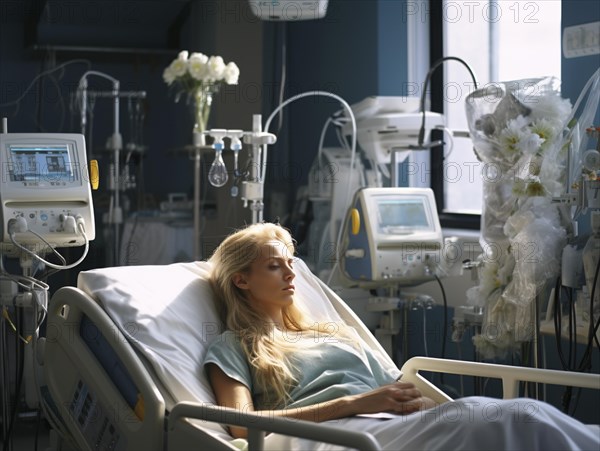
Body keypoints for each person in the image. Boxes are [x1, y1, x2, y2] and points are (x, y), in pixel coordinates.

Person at [203, 222, 600, 450]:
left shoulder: (328, 331)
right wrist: (352, 403)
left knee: (521, 419)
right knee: (516, 421)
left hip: (388, 422)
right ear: (241, 280)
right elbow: (240, 426)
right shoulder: (235, 345)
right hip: (334, 435)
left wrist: (425, 406)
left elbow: (393, 389)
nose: (291, 274)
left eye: (291, 263)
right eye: (275, 266)